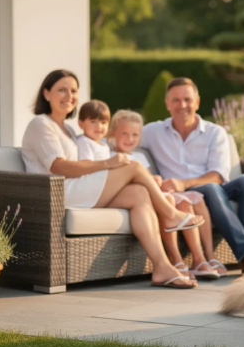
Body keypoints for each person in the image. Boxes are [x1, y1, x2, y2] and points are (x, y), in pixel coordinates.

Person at [20, 69, 204, 289]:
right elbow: (58, 166)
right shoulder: (41, 124)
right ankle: (171, 213)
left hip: (76, 189)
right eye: (62, 90)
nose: (69, 96)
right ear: (47, 93)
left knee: (139, 194)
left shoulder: (68, 130)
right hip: (56, 193)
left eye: (73, 91)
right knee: (133, 165)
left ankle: (162, 267)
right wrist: (108, 164)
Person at [141, 77, 244, 273]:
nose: (182, 105)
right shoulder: (152, 132)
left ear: (197, 102)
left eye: (187, 99)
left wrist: (184, 183)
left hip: (212, 188)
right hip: (186, 195)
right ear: (167, 104)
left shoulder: (215, 132)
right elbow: (122, 141)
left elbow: (218, 176)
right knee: (211, 189)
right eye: (176, 100)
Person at [108, 109, 226, 279]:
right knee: (170, 200)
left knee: (189, 201)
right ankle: (176, 260)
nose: (130, 139)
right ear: (113, 133)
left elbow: (148, 178)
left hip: (155, 192)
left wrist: (156, 180)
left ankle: (199, 259)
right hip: (140, 196)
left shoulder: (140, 155)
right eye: (124, 134)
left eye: (135, 134)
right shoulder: (111, 155)